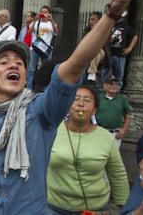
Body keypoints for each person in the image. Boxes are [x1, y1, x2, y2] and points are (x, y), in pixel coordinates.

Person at [0, 0, 140, 214]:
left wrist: (112, 14)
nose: (15, 66)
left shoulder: (40, 111)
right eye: (5, 62)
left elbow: (74, 66)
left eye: (20, 63)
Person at [47, 86, 129, 214]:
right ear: (68, 106)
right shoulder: (51, 132)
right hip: (54, 207)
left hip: (94, 209)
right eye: (76, 99)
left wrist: (122, 206)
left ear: (95, 110)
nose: (81, 104)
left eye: (87, 100)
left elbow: (117, 173)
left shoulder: (105, 137)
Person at [26, 5, 59, 90]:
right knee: (31, 68)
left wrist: (51, 20)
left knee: (46, 69)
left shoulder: (51, 24)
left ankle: (45, 87)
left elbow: (56, 32)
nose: (43, 14)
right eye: (42, 12)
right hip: (35, 48)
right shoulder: (36, 23)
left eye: (45, 12)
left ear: (49, 13)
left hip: (46, 48)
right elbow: (29, 32)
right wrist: (35, 20)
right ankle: (29, 87)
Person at [95, 75, 131, 148]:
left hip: (115, 134)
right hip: (100, 132)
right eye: (111, 84)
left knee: (113, 156)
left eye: (116, 84)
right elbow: (92, 113)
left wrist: (124, 130)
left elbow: (127, 116)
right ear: (105, 86)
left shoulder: (122, 99)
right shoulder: (99, 98)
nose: (114, 86)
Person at [110, 15, 138, 89]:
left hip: (120, 55)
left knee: (119, 77)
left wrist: (130, 48)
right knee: (105, 76)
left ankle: (117, 94)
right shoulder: (109, 24)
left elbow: (135, 36)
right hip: (108, 54)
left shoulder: (125, 26)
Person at [83, 12, 111, 83]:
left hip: (101, 52)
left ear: (99, 21)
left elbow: (104, 43)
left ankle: (92, 72)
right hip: (88, 52)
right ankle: (92, 72)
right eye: (90, 20)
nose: (91, 22)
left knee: (97, 51)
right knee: (96, 52)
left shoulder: (106, 30)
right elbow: (84, 43)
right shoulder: (87, 30)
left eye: (93, 19)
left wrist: (97, 31)